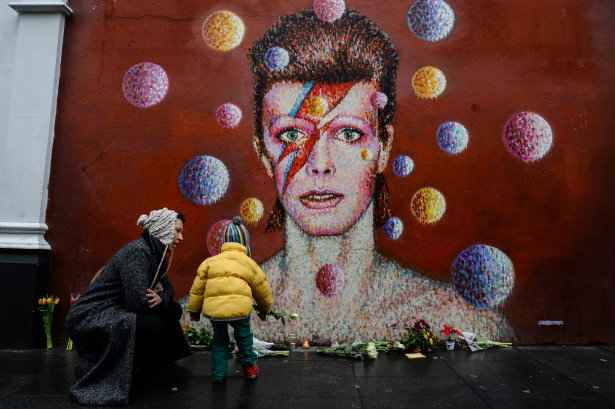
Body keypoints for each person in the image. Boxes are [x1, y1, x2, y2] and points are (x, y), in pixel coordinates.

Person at [247, 9, 514, 343]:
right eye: (290, 136)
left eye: (348, 134)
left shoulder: (459, 321)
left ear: (383, 146)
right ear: (263, 154)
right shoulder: (215, 318)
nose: (320, 163)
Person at [65, 208, 191, 405]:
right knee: (152, 323)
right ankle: (135, 370)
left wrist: (162, 299)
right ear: (162, 229)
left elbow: (168, 289)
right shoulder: (137, 252)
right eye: (177, 231)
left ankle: (153, 367)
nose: (181, 237)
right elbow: (138, 302)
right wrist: (161, 301)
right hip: (91, 314)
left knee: (172, 310)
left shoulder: (155, 253)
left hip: (115, 308)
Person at [187, 217, 272, 383]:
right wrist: (264, 309)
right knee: (244, 337)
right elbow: (262, 289)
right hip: (240, 311)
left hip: (216, 312)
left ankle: (218, 374)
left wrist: (194, 311)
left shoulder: (209, 263)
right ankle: (249, 368)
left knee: (219, 341)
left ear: (224, 241)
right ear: (244, 242)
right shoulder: (249, 263)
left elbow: (197, 290)